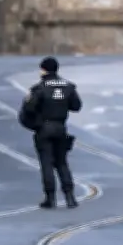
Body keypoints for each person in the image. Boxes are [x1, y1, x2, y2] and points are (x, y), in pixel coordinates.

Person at [19, 56, 82, 209]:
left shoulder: (39, 88)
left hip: (44, 129)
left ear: (43, 70)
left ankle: (50, 198)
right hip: (61, 128)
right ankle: (70, 197)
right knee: (62, 162)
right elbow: (76, 106)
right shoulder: (68, 86)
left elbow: (29, 108)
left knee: (46, 163)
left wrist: (34, 124)